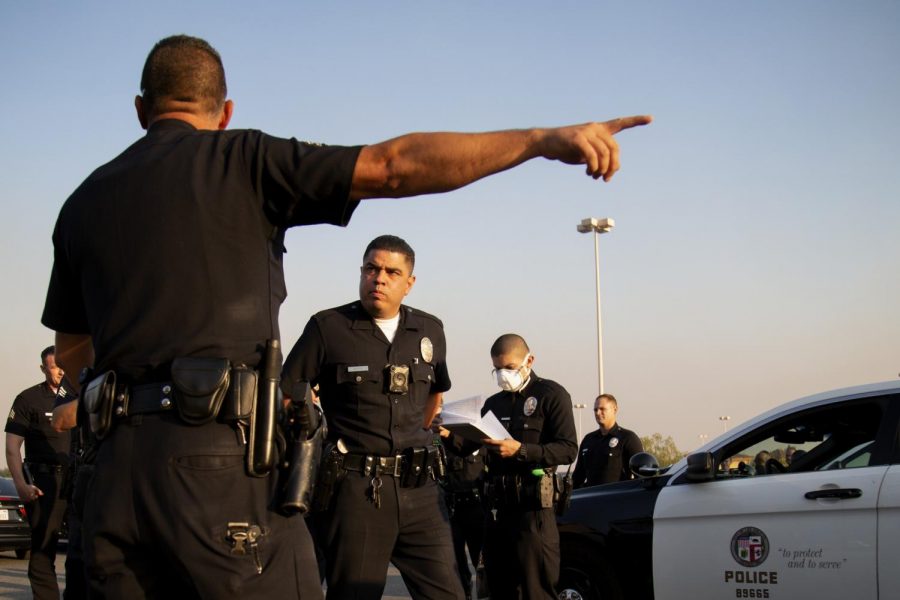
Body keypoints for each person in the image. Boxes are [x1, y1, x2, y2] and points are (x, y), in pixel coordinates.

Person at [42, 34, 649, 598]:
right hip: (218, 471)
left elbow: (71, 351)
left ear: (140, 109)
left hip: (112, 478)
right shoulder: (244, 159)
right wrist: (540, 140)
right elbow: (393, 166)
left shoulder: (83, 201)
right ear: (224, 113)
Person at [281, 235, 461, 599]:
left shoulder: (430, 330)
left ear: (409, 283)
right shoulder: (328, 327)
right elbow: (287, 394)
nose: (378, 279)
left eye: (392, 272)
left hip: (420, 490)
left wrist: (418, 433)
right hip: (358, 491)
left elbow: (435, 394)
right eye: (371, 269)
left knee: (449, 594)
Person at [442, 334, 577, 600]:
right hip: (497, 511)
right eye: (497, 369)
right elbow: (469, 446)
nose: (504, 374)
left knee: (536, 589)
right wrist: (448, 434)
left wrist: (522, 450)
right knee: (499, 587)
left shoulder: (551, 395)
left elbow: (568, 448)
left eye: (510, 368)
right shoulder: (494, 403)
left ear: (530, 360)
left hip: (533, 510)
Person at [4, 346, 71, 600]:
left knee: (83, 549)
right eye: (54, 367)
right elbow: (12, 448)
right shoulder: (28, 399)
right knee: (43, 550)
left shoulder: (80, 396)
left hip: (77, 480)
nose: (60, 371)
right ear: (43, 369)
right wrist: (21, 485)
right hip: (44, 483)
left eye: (63, 365)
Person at [572, 393, 643, 488]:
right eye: (595, 410)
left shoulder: (628, 438)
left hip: (617, 496)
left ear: (615, 409)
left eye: (602, 409)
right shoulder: (588, 440)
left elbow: (641, 477)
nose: (598, 413)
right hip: (592, 496)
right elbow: (578, 477)